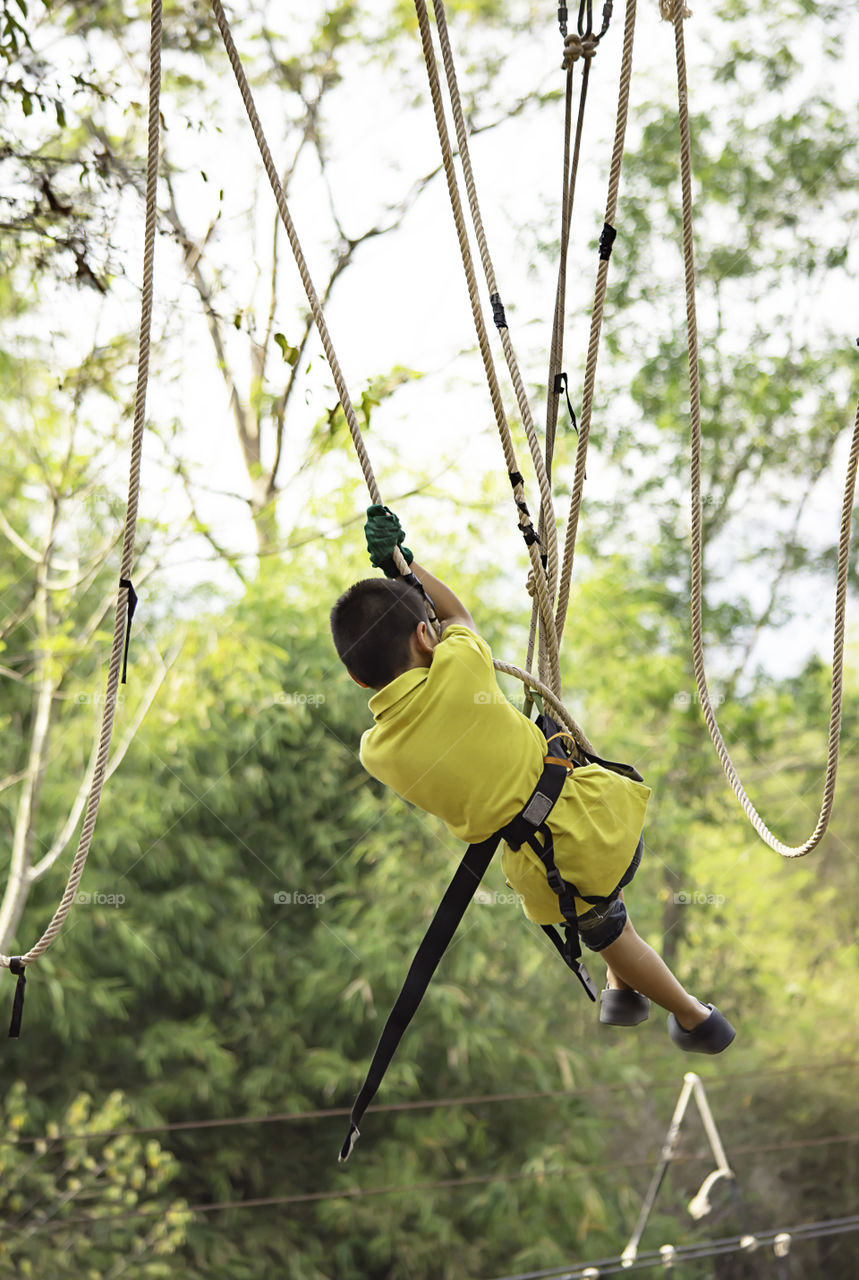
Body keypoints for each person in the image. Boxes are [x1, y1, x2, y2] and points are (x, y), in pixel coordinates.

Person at [329, 505, 735, 1054]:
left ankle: (634, 992)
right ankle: (694, 1018)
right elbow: (458, 617)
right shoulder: (459, 668)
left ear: (356, 678)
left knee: (612, 929)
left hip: (544, 868)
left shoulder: (375, 752)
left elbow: (429, 641)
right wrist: (408, 566)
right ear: (425, 638)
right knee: (610, 919)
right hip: (593, 813)